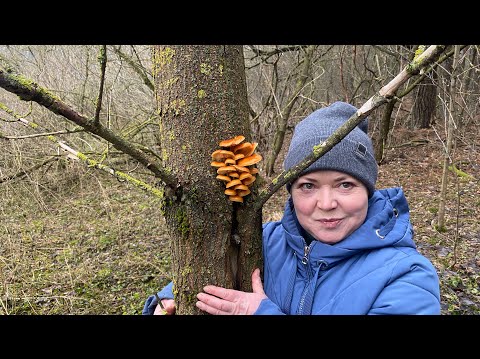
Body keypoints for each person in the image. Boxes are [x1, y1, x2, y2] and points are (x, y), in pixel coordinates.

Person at [143, 101, 441, 315]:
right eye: (308, 186)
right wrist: (166, 302)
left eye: (345, 185)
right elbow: (191, 283)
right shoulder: (264, 240)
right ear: (290, 190)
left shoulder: (407, 276)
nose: (326, 204)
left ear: (368, 189)